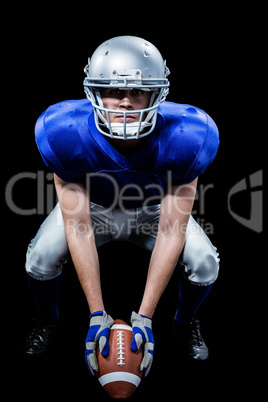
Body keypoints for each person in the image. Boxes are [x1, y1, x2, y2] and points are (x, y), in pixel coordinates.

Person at [24, 36, 220, 375]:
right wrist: (97, 312)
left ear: (158, 93)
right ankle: (48, 317)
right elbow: (78, 224)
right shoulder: (64, 131)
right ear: (94, 93)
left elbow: (172, 230)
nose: (126, 103)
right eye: (114, 91)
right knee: (39, 259)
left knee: (205, 263)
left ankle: (184, 321)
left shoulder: (190, 136)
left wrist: (144, 317)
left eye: (138, 91)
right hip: (94, 209)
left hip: (153, 210)